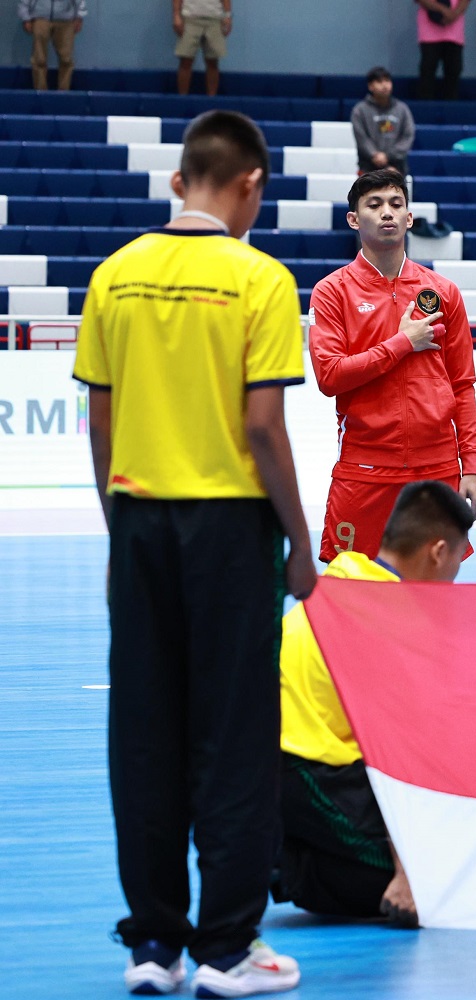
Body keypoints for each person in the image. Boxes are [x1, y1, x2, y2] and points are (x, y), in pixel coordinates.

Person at [73, 109, 313, 998]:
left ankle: (154, 946)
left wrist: (118, 531)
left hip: (138, 521)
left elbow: (99, 425)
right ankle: (227, 948)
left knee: (143, 733)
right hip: (228, 531)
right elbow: (262, 426)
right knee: (234, 737)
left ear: (182, 179)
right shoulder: (260, 279)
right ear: (249, 183)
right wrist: (298, 540)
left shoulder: (115, 275)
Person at [274, 480, 475, 929]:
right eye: (457, 566)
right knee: (442, 878)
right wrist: (407, 874)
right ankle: (288, 861)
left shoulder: (346, 574)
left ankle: (288, 849)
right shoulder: (398, 622)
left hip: (263, 759)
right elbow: (398, 757)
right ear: (438, 552)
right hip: (302, 767)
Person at [308, 167, 476, 564]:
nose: (386, 212)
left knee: (432, 599)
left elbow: (463, 386)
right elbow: (330, 376)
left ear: (409, 217)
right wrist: (402, 343)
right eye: (374, 205)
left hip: (437, 469)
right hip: (365, 467)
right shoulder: (332, 291)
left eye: (395, 204)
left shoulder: (442, 292)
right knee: (354, 598)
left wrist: (470, 466)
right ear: (354, 219)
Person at [351, 67, 416, 177]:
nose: (384, 85)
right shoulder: (359, 110)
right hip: (368, 168)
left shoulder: (402, 109)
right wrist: (375, 155)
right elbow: (361, 138)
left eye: (387, 81)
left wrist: (388, 156)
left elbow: (408, 136)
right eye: (379, 82)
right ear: (370, 86)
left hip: (397, 168)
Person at [20, 0, 84, 91]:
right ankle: (40, 93)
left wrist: (79, 16)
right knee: (39, 59)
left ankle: (64, 93)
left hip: (66, 20)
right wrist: (25, 17)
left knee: (66, 59)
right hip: (40, 18)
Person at [172, 0, 229, 97]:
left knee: (212, 61)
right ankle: (182, 99)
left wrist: (228, 15)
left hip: (214, 18)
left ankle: (212, 100)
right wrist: (176, 15)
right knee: (185, 60)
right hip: (190, 18)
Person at [415, 0, 469, 100]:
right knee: (427, 72)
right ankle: (426, 108)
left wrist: (454, 14)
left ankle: (451, 108)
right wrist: (443, 10)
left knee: (454, 71)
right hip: (429, 33)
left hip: (454, 34)